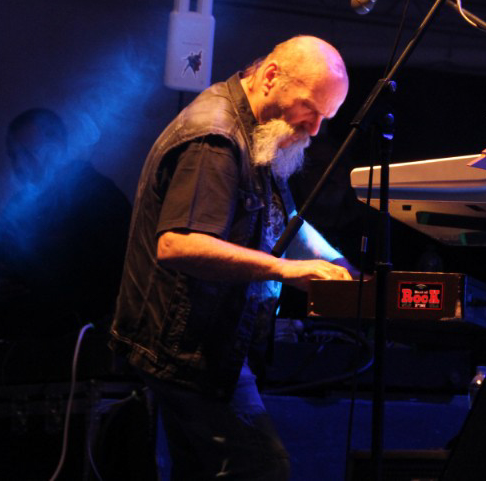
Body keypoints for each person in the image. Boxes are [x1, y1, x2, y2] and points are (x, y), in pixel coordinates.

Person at [110, 35, 356, 480]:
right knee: (260, 468)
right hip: (188, 351)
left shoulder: (260, 129)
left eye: (326, 117)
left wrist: (341, 266)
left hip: (204, 346)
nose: (316, 129)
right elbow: (179, 244)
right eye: (310, 109)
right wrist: (285, 269)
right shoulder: (215, 138)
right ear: (271, 76)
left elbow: (285, 220)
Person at [0, 108, 131, 340]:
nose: (18, 164)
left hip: (73, 345)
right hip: (19, 345)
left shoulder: (99, 196)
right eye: (13, 155)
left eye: (27, 153)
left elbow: (112, 277)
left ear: (58, 147)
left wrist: (36, 280)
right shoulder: (20, 204)